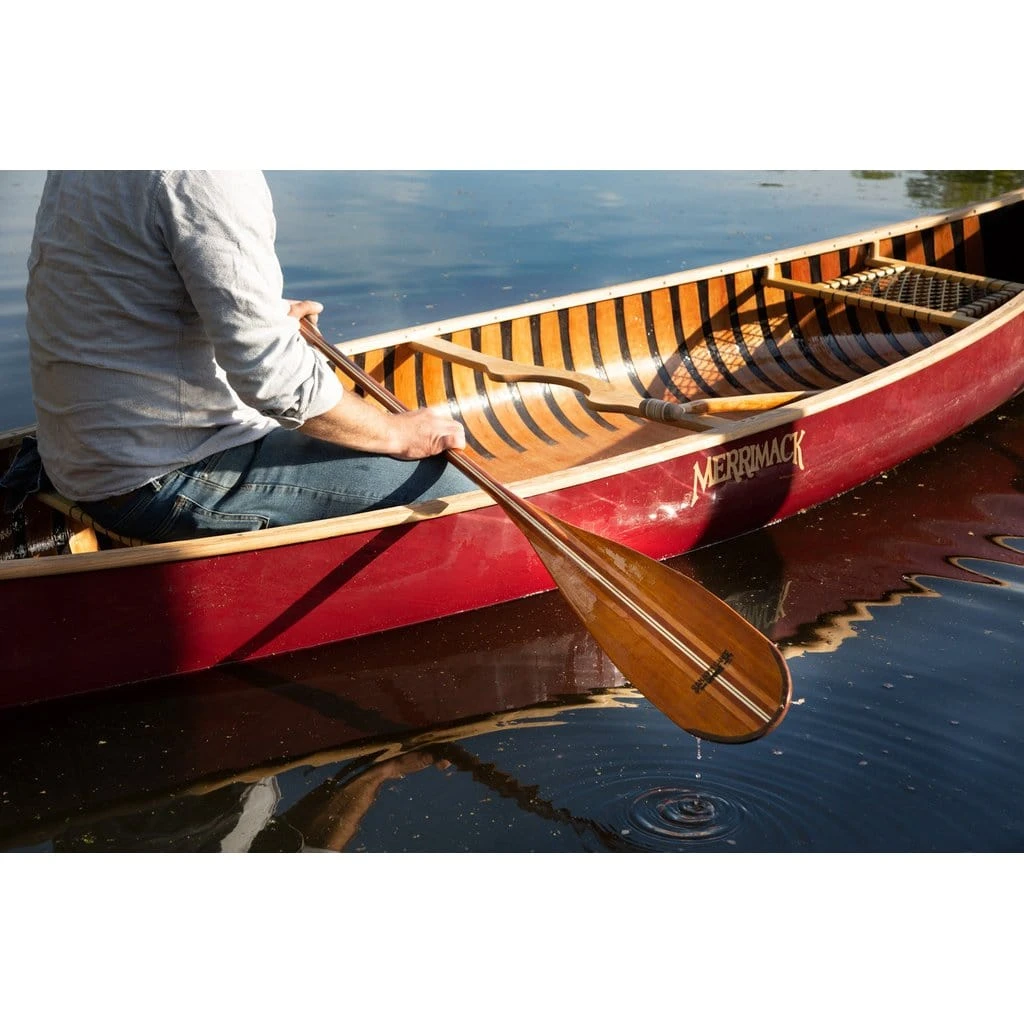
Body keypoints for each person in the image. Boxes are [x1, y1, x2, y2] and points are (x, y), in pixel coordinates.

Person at [3, 170, 471, 542]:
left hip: (76, 457)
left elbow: (122, 291)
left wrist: (259, 315)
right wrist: (394, 432)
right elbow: (274, 381)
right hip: (156, 476)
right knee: (453, 493)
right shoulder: (206, 172)